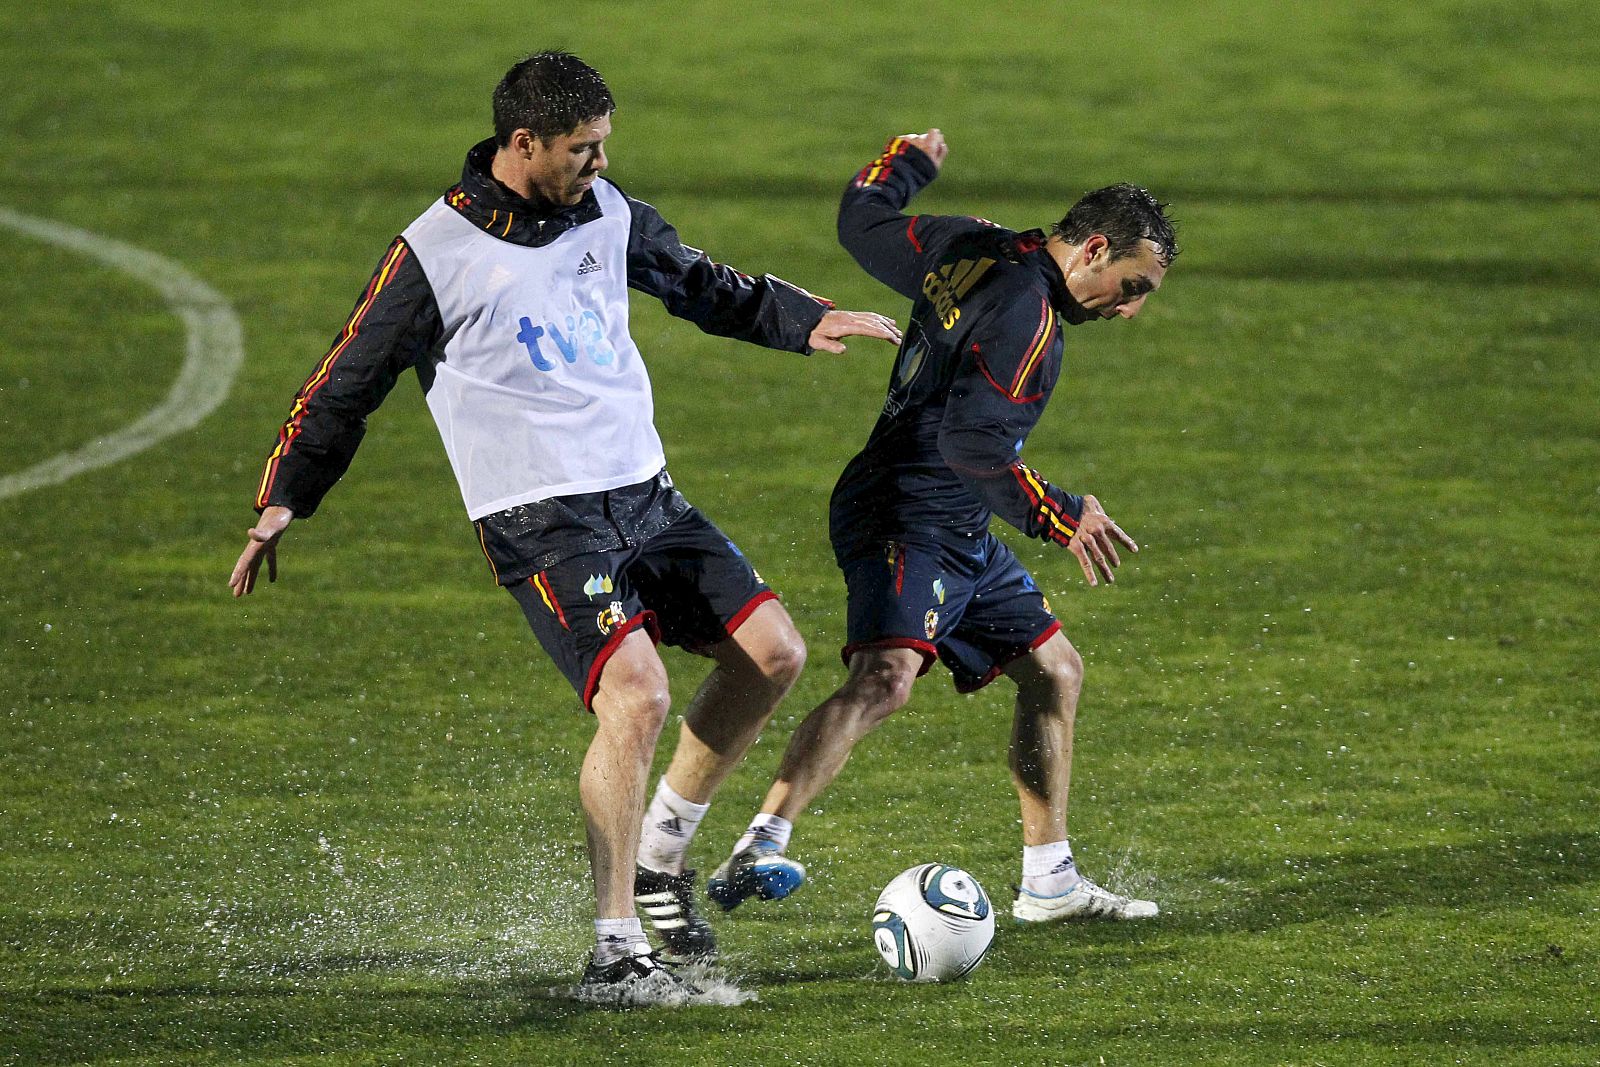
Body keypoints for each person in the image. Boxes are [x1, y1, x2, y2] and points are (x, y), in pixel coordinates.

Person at [227, 51, 900, 994]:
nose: (600, 164)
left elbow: (699, 280)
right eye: (584, 149)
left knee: (775, 653)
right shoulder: (434, 250)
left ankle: (662, 855)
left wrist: (801, 318)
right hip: (540, 516)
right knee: (640, 694)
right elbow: (345, 381)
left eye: (605, 146)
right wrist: (285, 495)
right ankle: (615, 947)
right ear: (523, 142)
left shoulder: (607, 212)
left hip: (647, 494)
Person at [707, 129, 1177, 924]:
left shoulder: (973, 244)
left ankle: (1050, 879)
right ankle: (759, 843)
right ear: (1095, 248)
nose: (1129, 309)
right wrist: (1063, 514)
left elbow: (864, 219)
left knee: (1054, 669)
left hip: (954, 517)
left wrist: (907, 163)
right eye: (1133, 286)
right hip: (908, 511)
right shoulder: (1027, 318)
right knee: (886, 680)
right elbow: (972, 445)